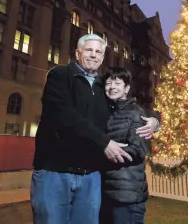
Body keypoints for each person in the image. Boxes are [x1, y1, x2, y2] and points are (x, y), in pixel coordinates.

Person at [31, 34, 160, 224]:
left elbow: (128, 106)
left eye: (98, 52)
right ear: (78, 52)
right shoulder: (61, 75)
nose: (93, 55)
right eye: (89, 50)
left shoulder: (103, 85)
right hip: (56, 171)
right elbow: (62, 114)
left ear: (102, 57)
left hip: (90, 176)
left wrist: (155, 120)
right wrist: (104, 142)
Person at [100, 67, 151, 224]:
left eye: (117, 83)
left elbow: (137, 149)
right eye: (108, 83)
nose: (112, 87)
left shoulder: (135, 113)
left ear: (126, 88)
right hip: (106, 193)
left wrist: (103, 151)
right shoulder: (106, 111)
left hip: (127, 194)